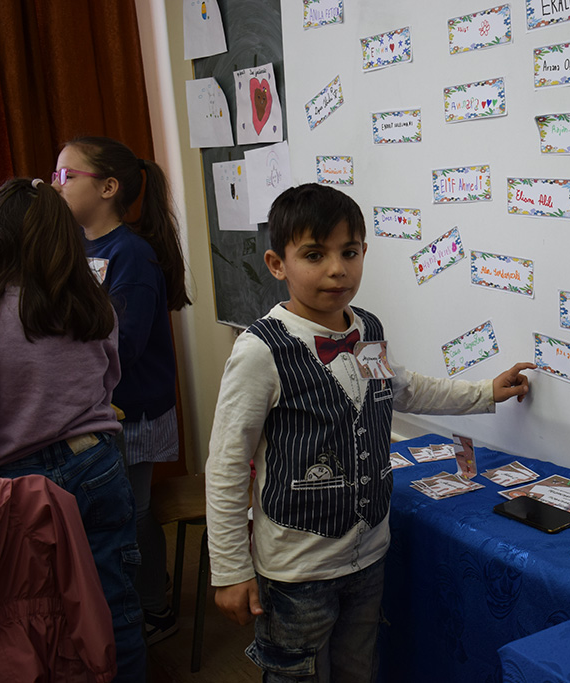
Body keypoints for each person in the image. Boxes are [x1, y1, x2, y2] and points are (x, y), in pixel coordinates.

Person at [206, 183, 534, 683]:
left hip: (368, 554)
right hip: (297, 569)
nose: (337, 269)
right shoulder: (260, 351)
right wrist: (230, 569)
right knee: (297, 675)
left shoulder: (368, 329)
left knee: (359, 669)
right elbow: (228, 463)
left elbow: (404, 389)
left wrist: (485, 392)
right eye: (314, 255)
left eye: (349, 252)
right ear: (276, 264)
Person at [0, 178, 147, 681]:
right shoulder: (92, 303)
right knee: (117, 604)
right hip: (95, 461)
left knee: (37, 615)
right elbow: (108, 382)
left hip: (21, 483)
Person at [54, 136, 191, 645]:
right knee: (116, 512)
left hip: (134, 411)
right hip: (97, 406)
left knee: (131, 512)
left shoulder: (130, 254)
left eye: (68, 176)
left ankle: (155, 609)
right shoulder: (77, 244)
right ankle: (141, 592)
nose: (56, 185)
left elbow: (123, 345)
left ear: (108, 188)